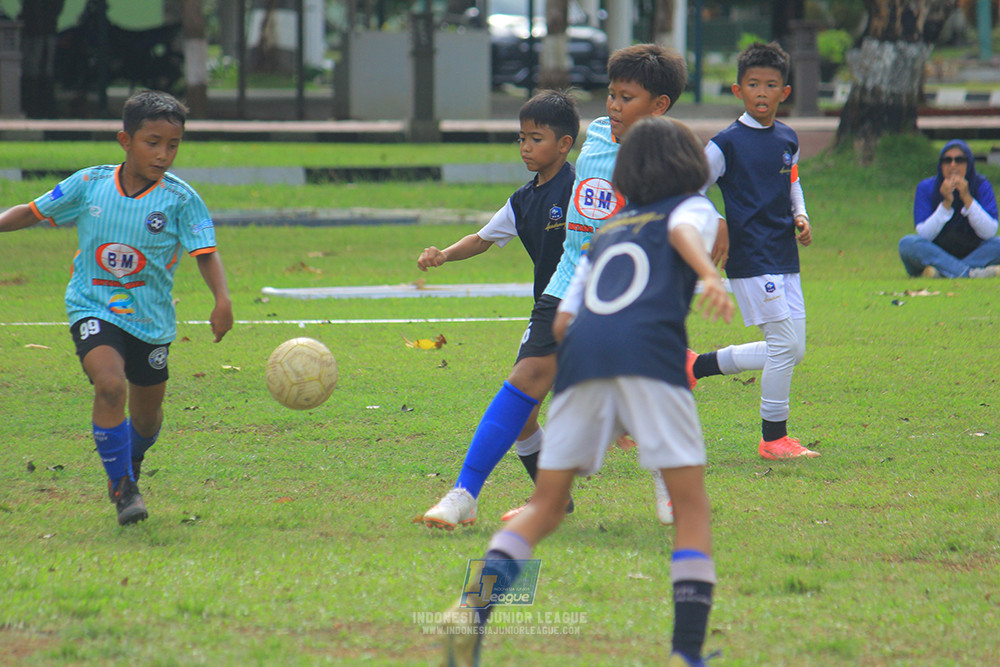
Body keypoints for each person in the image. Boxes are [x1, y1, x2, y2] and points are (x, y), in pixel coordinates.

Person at [441, 116, 735, 667]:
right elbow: (680, 234)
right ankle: (685, 654)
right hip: (651, 355)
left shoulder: (607, 230)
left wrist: (610, 404)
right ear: (689, 168)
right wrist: (708, 275)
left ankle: (472, 606)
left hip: (580, 359)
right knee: (693, 509)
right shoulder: (689, 208)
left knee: (546, 507)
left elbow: (562, 323)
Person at [420, 43, 702, 530]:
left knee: (646, 396)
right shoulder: (593, 135)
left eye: (627, 98)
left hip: (627, 294)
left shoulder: (669, 156)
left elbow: (690, 214)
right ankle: (464, 493)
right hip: (569, 283)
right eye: (611, 95)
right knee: (524, 380)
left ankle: (667, 485)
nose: (613, 106)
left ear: (659, 106)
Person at [0, 90, 233, 526]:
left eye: (173, 145)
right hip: (94, 306)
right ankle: (123, 487)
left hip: (151, 321)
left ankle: (129, 461)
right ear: (125, 141)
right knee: (109, 385)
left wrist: (222, 299)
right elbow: (32, 211)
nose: (163, 154)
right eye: (152, 142)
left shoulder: (180, 200)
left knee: (146, 421)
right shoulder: (89, 185)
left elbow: (206, 252)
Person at [417, 90, 579, 530]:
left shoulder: (582, 188)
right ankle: (553, 497)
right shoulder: (524, 200)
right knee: (525, 412)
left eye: (537, 138)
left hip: (586, 313)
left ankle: (467, 493)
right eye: (522, 138)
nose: (526, 147)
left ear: (564, 145)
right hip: (549, 310)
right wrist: (445, 255)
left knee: (632, 404)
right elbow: (484, 238)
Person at [687, 42, 819, 460]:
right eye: (753, 84)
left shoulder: (787, 138)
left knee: (792, 349)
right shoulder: (725, 143)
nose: (762, 92)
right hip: (750, 256)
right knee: (783, 344)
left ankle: (697, 366)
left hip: (784, 252)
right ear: (738, 89)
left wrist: (801, 215)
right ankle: (773, 437)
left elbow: (791, 181)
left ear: (785, 91)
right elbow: (691, 189)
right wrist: (719, 222)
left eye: (771, 85)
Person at [898, 139, 1000, 279]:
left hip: (974, 251)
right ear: (941, 165)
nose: (953, 165)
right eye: (947, 160)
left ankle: (943, 272)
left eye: (959, 160)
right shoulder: (927, 187)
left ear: (968, 163)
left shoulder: (981, 185)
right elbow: (924, 235)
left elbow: (989, 232)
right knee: (907, 244)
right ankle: (969, 273)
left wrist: (967, 199)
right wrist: (946, 204)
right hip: (935, 251)